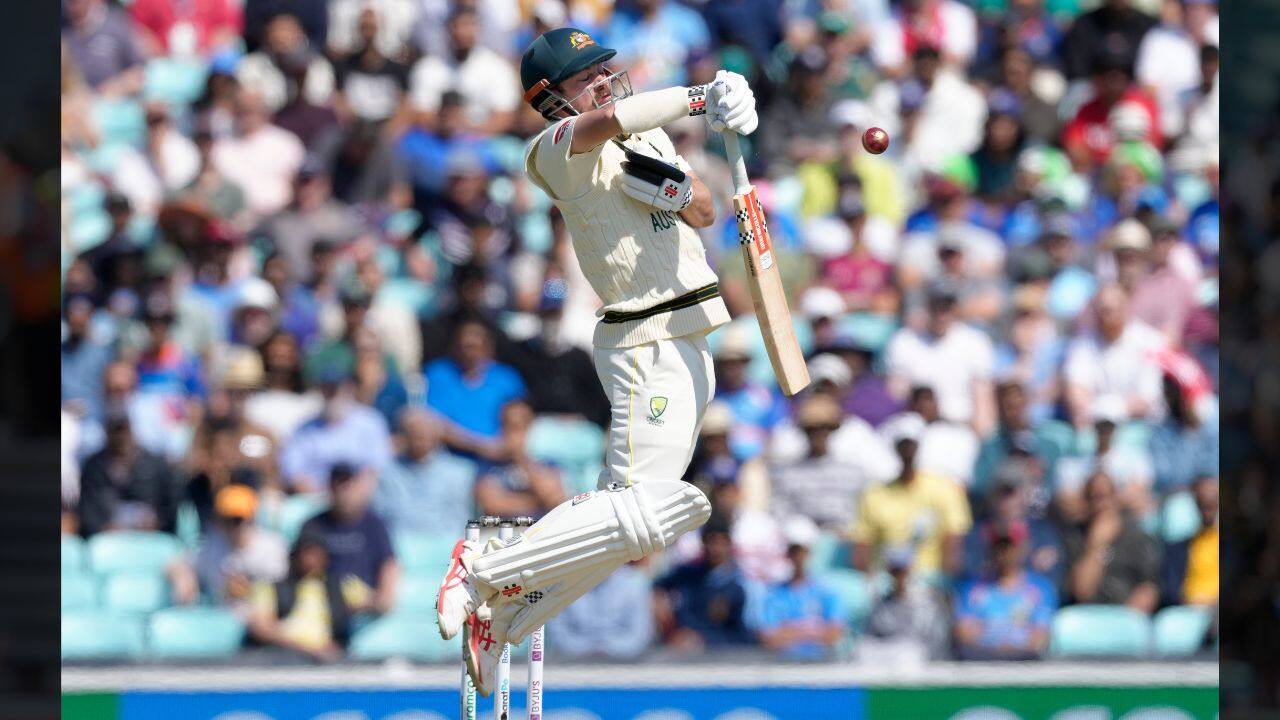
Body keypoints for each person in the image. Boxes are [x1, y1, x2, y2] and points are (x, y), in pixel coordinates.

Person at [437, 26, 759, 695]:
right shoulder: (551, 152)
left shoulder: (646, 138)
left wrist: (675, 184)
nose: (604, 81)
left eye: (605, 69)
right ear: (551, 101)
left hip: (691, 332)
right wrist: (702, 95)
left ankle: (506, 619)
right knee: (667, 507)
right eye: (586, 77)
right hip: (646, 341)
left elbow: (702, 211)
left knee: (630, 529)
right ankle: (481, 568)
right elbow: (608, 119)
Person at [851, 413, 972, 578]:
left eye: (911, 445)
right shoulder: (874, 494)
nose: (908, 452)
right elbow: (862, 546)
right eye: (903, 445)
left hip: (929, 578)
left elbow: (953, 541)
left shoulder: (945, 488)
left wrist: (945, 584)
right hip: (887, 580)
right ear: (895, 448)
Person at [885, 280, 997, 437]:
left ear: (955, 308)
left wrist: (983, 436)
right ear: (927, 306)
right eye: (936, 305)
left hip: (961, 427)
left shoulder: (976, 342)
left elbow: (982, 400)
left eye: (947, 306)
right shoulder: (904, 341)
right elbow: (897, 396)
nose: (941, 313)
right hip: (917, 430)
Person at [298, 463, 400, 617]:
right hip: (322, 606)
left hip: (366, 606)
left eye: (348, 485)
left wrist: (380, 599)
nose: (343, 492)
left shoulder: (374, 524)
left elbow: (389, 564)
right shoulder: (314, 524)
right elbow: (304, 568)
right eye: (338, 485)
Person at [278, 364, 393, 493]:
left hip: (360, 502)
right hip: (314, 502)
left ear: (350, 388)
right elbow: (292, 471)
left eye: (337, 387)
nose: (332, 393)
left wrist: (349, 498)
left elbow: (377, 468)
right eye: (327, 388)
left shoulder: (371, 422)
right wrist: (321, 497)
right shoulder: (304, 429)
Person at [954, 519, 1058, 660]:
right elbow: (964, 633)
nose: (1003, 552)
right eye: (998, 545)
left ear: (1024, 547)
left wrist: (1009, 647)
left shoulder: (1040, 589)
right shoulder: (972, 588)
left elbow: (1040, 637)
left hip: (1025, 666)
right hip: (981, 665)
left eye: (1009, 545)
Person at [767, 394, 872, 532]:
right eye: (811, 430)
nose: (818, 435)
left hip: (841, 539)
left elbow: (861, 514)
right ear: (804, 432)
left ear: (831, 430)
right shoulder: (787, 473)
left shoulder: (852, 472)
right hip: (802, 541)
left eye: (824, 428)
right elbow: (780, 514)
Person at [1063, 472, 1161, 613]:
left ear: (1116, 497)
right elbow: (1082, 592)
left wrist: (1124, 620)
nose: (1102, 505)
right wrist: (1097, 544)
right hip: (1089, 614)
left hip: (1127, 615)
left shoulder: (1136, 535)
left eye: (1106, 496)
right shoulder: (1076, 536)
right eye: (1095, 497)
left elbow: (1149, 589)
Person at [653, 517, 755, 652]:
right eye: (711, 542)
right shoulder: (686, 574)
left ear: (729, 544)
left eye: (721, 542)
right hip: (678, 646)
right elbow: (658, 587)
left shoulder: (738, 586)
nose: (716, 549)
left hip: (715, 656)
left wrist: (703, 639)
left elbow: (741, 636)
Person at [248, 529, 350, 663]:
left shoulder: (338, 586)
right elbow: (261, 629)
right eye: (308, 553)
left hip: (326, 662)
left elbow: (376, 601)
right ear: (296, 554)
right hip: (282, 658)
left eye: (318, 553)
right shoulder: (272, 588)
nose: (312, 559)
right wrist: (308, 648)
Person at [374, 408, 478, 537]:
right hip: (401, 542)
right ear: (403, 436)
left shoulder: (461, 472)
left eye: (423, 435)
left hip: (446, 542)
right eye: (413, 434)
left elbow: (461, 518)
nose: (418, 441)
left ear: (436, 436)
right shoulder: (386, 472)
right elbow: (384, 515)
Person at [77, 411, 180, 538]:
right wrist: (106, 527)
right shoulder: (93, 467)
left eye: (123, 430)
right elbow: (87, 513)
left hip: (151, 538)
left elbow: (170, 508)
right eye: (115, 430)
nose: (119, 437)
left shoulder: (156, 464)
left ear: (131, 429)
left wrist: (157, 524)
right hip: (108, 541)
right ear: (106, 431)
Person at [758, 516, 846, 660]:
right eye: (794, 551)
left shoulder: (827, 591)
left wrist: (790, 632)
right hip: (784, 668)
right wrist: (814, 631)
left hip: (822, 668)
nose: (798, 557)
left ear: (810, 552)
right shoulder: (773, 593)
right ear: (787, 554)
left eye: (802, 551)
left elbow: (834, 634)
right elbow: (769, 639)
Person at [195, 485, 288, 616]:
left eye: (237, 520)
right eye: (226, 520)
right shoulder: (208, 549)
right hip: (221, 619)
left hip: (263, 618)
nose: (232, 526)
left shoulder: (272, 547)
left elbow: (282, 591)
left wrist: (250, 588)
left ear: (252, 519)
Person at [474, 400, 566, 519]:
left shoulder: (547, 461)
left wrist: (522, 459)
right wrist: (539, 503)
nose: (516, 435)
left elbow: (553, 498)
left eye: (523, 426)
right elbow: (492, 505)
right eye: (511, 426)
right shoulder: (489, 464)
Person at [864, 545, 949, 660]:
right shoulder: (881, 606)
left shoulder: (930, 603)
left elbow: (938, 643)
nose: (899, 576)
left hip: (924, 666)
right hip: (889, 664)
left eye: (903, 570)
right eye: (895, 571)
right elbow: (872, 638)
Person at [1162, 476, 1219, 608]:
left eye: (1213, 501)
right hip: (1189, 606)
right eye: (1203, 502)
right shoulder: (1177, 549)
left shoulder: (1230, 548)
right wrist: (1190, 601)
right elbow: (1170, 589)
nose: (1208, 507)